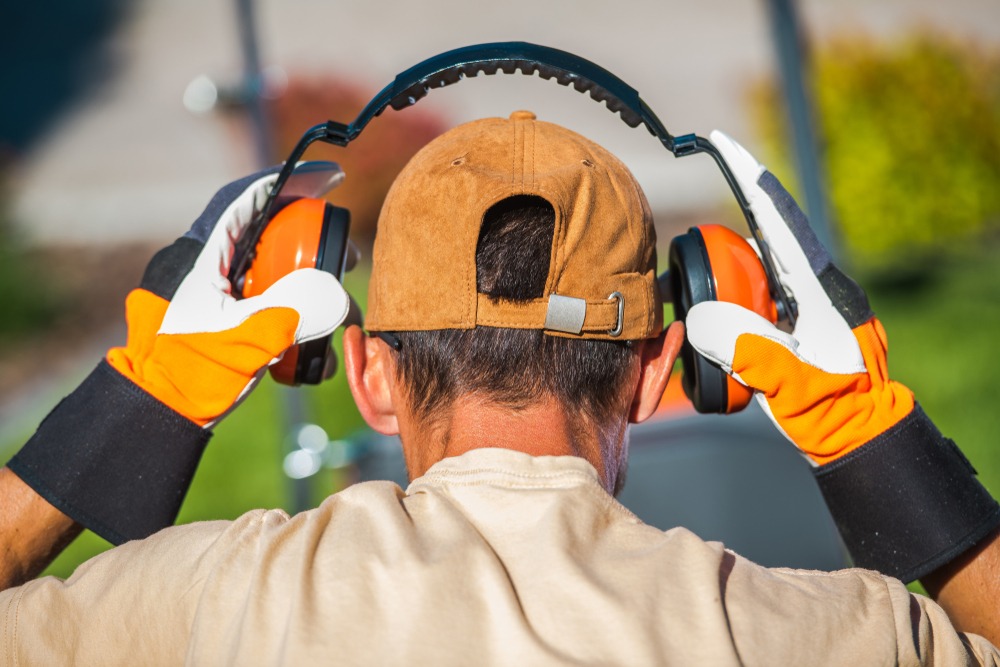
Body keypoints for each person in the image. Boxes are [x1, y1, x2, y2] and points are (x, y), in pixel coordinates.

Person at [0, 111, 997, 665]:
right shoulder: (804, 635)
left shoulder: (202, 608)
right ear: (658, 372)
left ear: (367, 375)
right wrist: (868, 436)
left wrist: (133, 408)